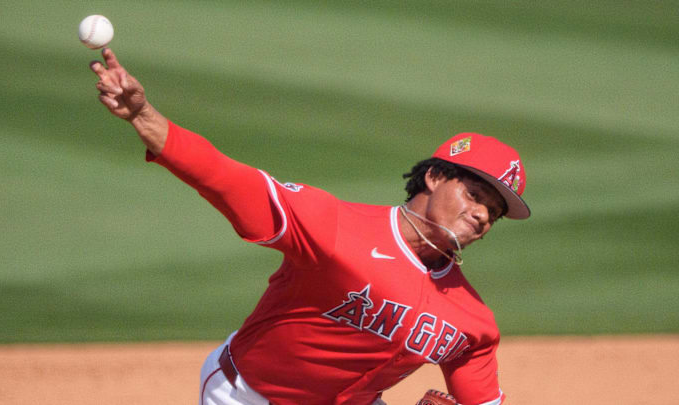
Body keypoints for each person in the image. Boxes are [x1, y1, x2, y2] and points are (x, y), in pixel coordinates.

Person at [89, 48, 530, 405]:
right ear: (434, 177)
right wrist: (143, 116)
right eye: (475, 195)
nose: (481, 215)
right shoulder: (333, 226)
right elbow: (224, 177)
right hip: (249, 398)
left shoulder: (472, 320)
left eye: (493, 211)